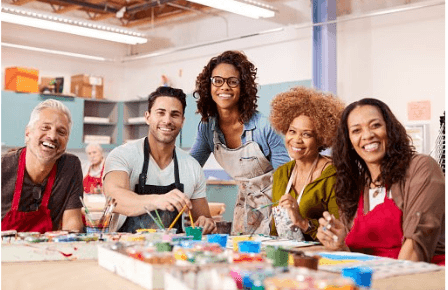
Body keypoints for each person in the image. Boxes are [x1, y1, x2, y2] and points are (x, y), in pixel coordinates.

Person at [317, 98, 445, 264]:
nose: (368, 135)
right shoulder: (352, 185)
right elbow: (355, 256)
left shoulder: (421, 167)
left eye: (375, 125)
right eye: (356, 131)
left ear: (390, 129)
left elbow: (415, 246)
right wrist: (339, 245)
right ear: (348, 142)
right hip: (371, 276)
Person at [190, 50, 290, 235]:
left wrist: (282, 219)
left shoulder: (263, 127)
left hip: (276, 206)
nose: (224, 87)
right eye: (218, 80)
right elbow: (190, 170)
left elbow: (287, 178)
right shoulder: (207, 129)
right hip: (243, 206)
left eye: (233, 81)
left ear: (243, 87)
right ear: (208, 86)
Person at [103, 86, 216, 234]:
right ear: (147, 117)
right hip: (125, 248)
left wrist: (206, 223)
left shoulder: (192, 167)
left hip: (173, 251)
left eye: (174, 114)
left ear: (182, 121)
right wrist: (157, 200)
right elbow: (114, 199)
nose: (167, 120)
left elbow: (203, 218)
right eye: (160, 113)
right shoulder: (123, 155)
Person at [269, 86, 344, 241]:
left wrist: (303, 222)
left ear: (321, 138)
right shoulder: (281, 174)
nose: (297, 140)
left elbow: (339, 232)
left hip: (321, 257)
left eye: (306, 134)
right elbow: (275, 230)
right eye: (292, 131)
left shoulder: (332, 175)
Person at [1, 99, 84, 233]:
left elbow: (72, 224)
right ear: (28, 133)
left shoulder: (70, 167)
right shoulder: (3, 167)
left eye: (61, 132)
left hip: (48, 250)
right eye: (45, 127)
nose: (52, 136)